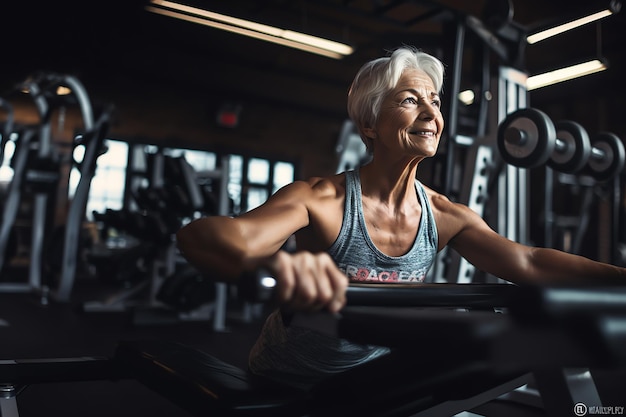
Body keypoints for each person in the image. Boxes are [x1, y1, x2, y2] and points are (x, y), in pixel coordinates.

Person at [176, 45, 626, 390]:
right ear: (370, 124)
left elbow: (530, 263)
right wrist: (273, 265)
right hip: (289, 379)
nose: (431, 113)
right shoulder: (322, 200)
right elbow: (207, 237)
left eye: (434, 100)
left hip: (376, 382)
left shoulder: (445, 215)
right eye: (411, 100)